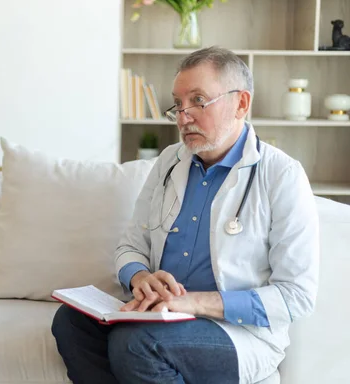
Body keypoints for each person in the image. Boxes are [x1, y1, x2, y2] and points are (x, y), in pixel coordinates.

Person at [52, 46, 319, 384]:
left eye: (198, 100)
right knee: (70, 322)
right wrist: (139, 278)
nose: (183, 116)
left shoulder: (281, 175)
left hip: (238, 334)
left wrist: (194, 304)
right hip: (163, 317)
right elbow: (131, 246)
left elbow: (296, 296)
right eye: (178, 104)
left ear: (241, 103)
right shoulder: (169, 161)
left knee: (135, 344)